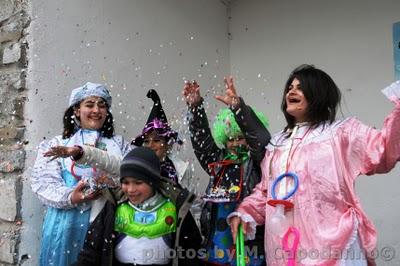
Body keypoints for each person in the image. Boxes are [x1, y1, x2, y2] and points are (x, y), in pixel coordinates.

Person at [229, 64, 400, 265]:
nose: (291, 91)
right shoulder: (277, 144)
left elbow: (383, 150)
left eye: (300, 87)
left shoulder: (341, 133)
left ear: (317, 93)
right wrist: (244, 212)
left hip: (333, 247)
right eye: (290, 87)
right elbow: (266, 192)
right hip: (283, 251)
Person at [45, 89, 202, 260]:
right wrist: (79, 153)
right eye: (146, 141)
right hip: (110, 227)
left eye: (157, 140)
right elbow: (109, 161)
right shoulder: (133, 168)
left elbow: (190, 211)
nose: (152, 145)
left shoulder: (179, 174)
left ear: (168, 143)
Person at [31, 82, 130, 266]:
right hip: (66, 225)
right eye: (89, 104)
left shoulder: (120, 144)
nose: (96, 110)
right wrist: (72, 197)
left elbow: (130, 175)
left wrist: (113, 182)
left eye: (102, 105)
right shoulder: (58, 144)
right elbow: (42, 183)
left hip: (106, 222)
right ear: (76, 110)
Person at [183, 76, 270, 265]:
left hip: (247, 241)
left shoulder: (258, 160)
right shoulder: (218, 160)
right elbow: (202, 143)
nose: (236, 143)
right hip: (217, 239)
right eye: (230, 139)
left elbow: (260, 139)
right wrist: (195, 107)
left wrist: (238, 108)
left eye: (241, 137)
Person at [75, 146, 200, 266]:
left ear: (153, 182)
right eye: (125, 182)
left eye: (138, 183)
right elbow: (90, 252)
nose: (130, 189)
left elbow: (191, 252)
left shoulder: (175, 208)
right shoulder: (114, 207)